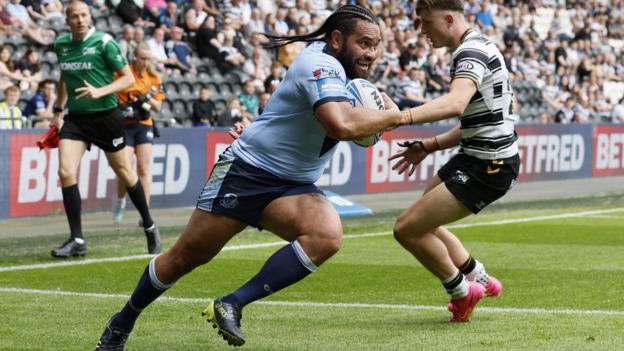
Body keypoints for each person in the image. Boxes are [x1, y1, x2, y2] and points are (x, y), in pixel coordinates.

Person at [95, 5, 415, 349]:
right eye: (364, 43)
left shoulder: (347, 73)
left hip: (293, 184)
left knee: (326, 235)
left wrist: (384, 117)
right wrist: (398, 117)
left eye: (376, 45)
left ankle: (231, 303)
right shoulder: (319, 64)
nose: (371, 53)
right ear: (337, 39)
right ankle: (122, 320)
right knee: (186, 257)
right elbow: (341, 125)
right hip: (247, 172)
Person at [389, 0, 519, 323]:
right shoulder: (478, 46)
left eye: (426, 22)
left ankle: (462, 290)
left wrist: (399, 117)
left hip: (489, 166)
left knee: (406, 229)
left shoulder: (469, 53)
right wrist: (428, 146)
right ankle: (479, 277)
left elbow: (456, 103)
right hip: (475, 155)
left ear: (449, 19)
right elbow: (474, 120)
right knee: (424, 222)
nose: (422, 31)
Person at [50, 1, 160, 258]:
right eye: (74, 16)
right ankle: (77, 239)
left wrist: (100, 91)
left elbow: (127, 78)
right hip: (76, 119)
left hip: (106, 118)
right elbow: (64, 76)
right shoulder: (61, 45)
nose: (79, 19)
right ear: (67, 20)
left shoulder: (104, 42)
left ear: (90, 17)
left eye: (84, 15)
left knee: (125, 172)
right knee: (65, 171)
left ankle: (149, 225)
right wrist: (58, 110)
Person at [112, 43, 165, 225]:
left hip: (144, 125)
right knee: (125, 167)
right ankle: (120, 202)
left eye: (148, 58)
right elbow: (112, 95)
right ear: (135, 57)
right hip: (125, 125)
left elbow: (158, 107)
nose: (146, 61)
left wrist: (147, 98)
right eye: (142, 58)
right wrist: (122, 108)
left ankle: (145, 212)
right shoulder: (123, 73)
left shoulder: (155, 77)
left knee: (143, 168)